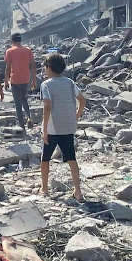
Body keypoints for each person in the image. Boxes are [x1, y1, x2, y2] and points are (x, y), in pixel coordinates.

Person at [39, 53, 86, 201]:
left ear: (49, 68)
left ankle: (45, 188)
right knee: (71, 159)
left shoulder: (46, 84)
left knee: (45, 158)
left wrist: (44, 129)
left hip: (53, 129)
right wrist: (76, 115)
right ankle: (78, 191)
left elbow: (47, 106)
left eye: (45, 67)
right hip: (68, 127)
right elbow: (82, 100)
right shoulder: (70, 82)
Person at [3, 32, 37, 132]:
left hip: (15, 80)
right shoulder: (28, 50)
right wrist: (34, 81)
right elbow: (33, 66)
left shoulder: (9, 51)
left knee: (18, 104)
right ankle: (29, 117)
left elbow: (8, 68)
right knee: (24, 99)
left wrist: (6, 81)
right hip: (26, 79)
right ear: (20, 40)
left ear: (12, 41)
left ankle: (22, 126)